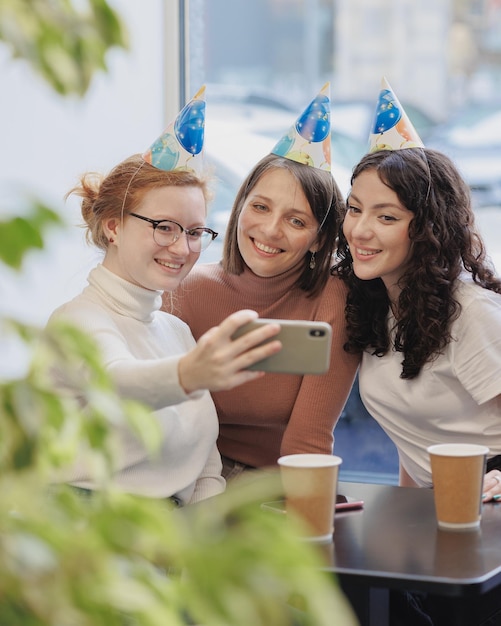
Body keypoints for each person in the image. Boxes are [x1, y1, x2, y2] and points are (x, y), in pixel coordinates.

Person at [46, 87, 282, 505]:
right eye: (164, 226)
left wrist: (204, 531)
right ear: (114, 226)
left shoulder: (175, 332)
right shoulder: (77, 322)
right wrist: (192, 373)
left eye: (194, 232)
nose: (182, 248)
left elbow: (206, 462)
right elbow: (116, 383)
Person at [167, 84, 360, 479]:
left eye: (296, 220)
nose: (270, 231)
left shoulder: (333, 299)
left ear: (319, 239)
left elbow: (308, 441)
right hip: (188, 481)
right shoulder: (185, 290)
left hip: (271, 488)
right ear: (239, 208)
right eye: (260, 207)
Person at [333, 78, 501, 502]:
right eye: (354, 209)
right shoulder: (376, 304)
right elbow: (416, 447)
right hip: (439, 499)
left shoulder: (470, 312)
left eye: (386, 217)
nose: (361, 230)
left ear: (428, 229)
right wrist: (407, 515)